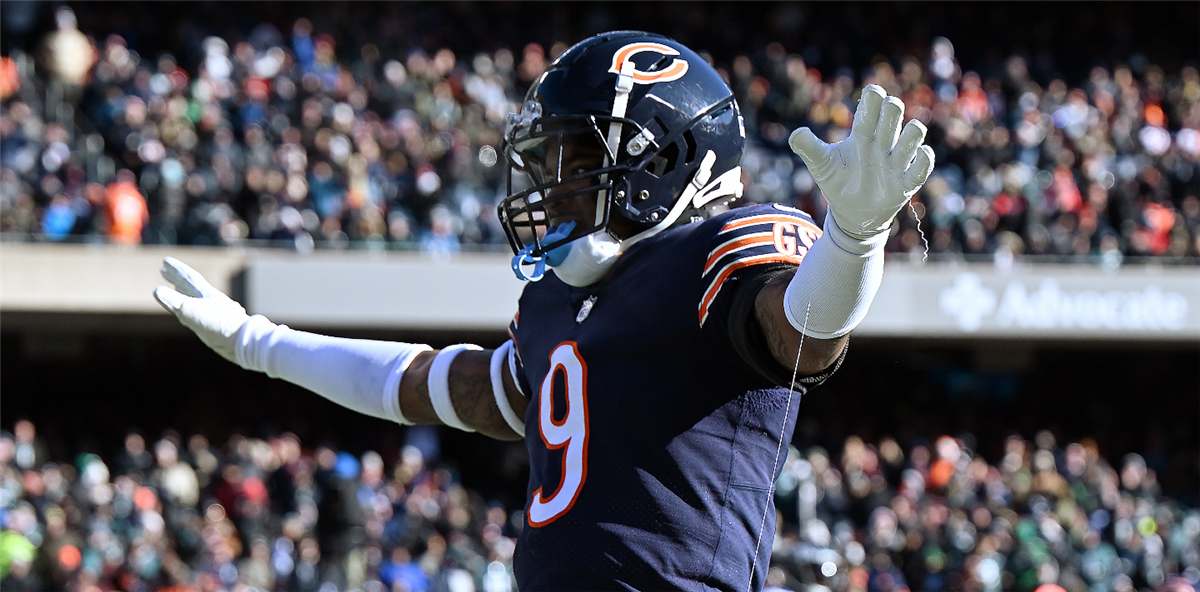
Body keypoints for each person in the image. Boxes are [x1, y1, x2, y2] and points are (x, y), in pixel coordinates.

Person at [154, 31, 933, 592]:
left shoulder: (723, 249)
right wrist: (263, 343)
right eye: (546, 164)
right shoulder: (558, 301)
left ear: (663, 164)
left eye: (581, 162)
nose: (552, 189)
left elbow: (808, 326)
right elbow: (437, 385)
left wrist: (853, 238)